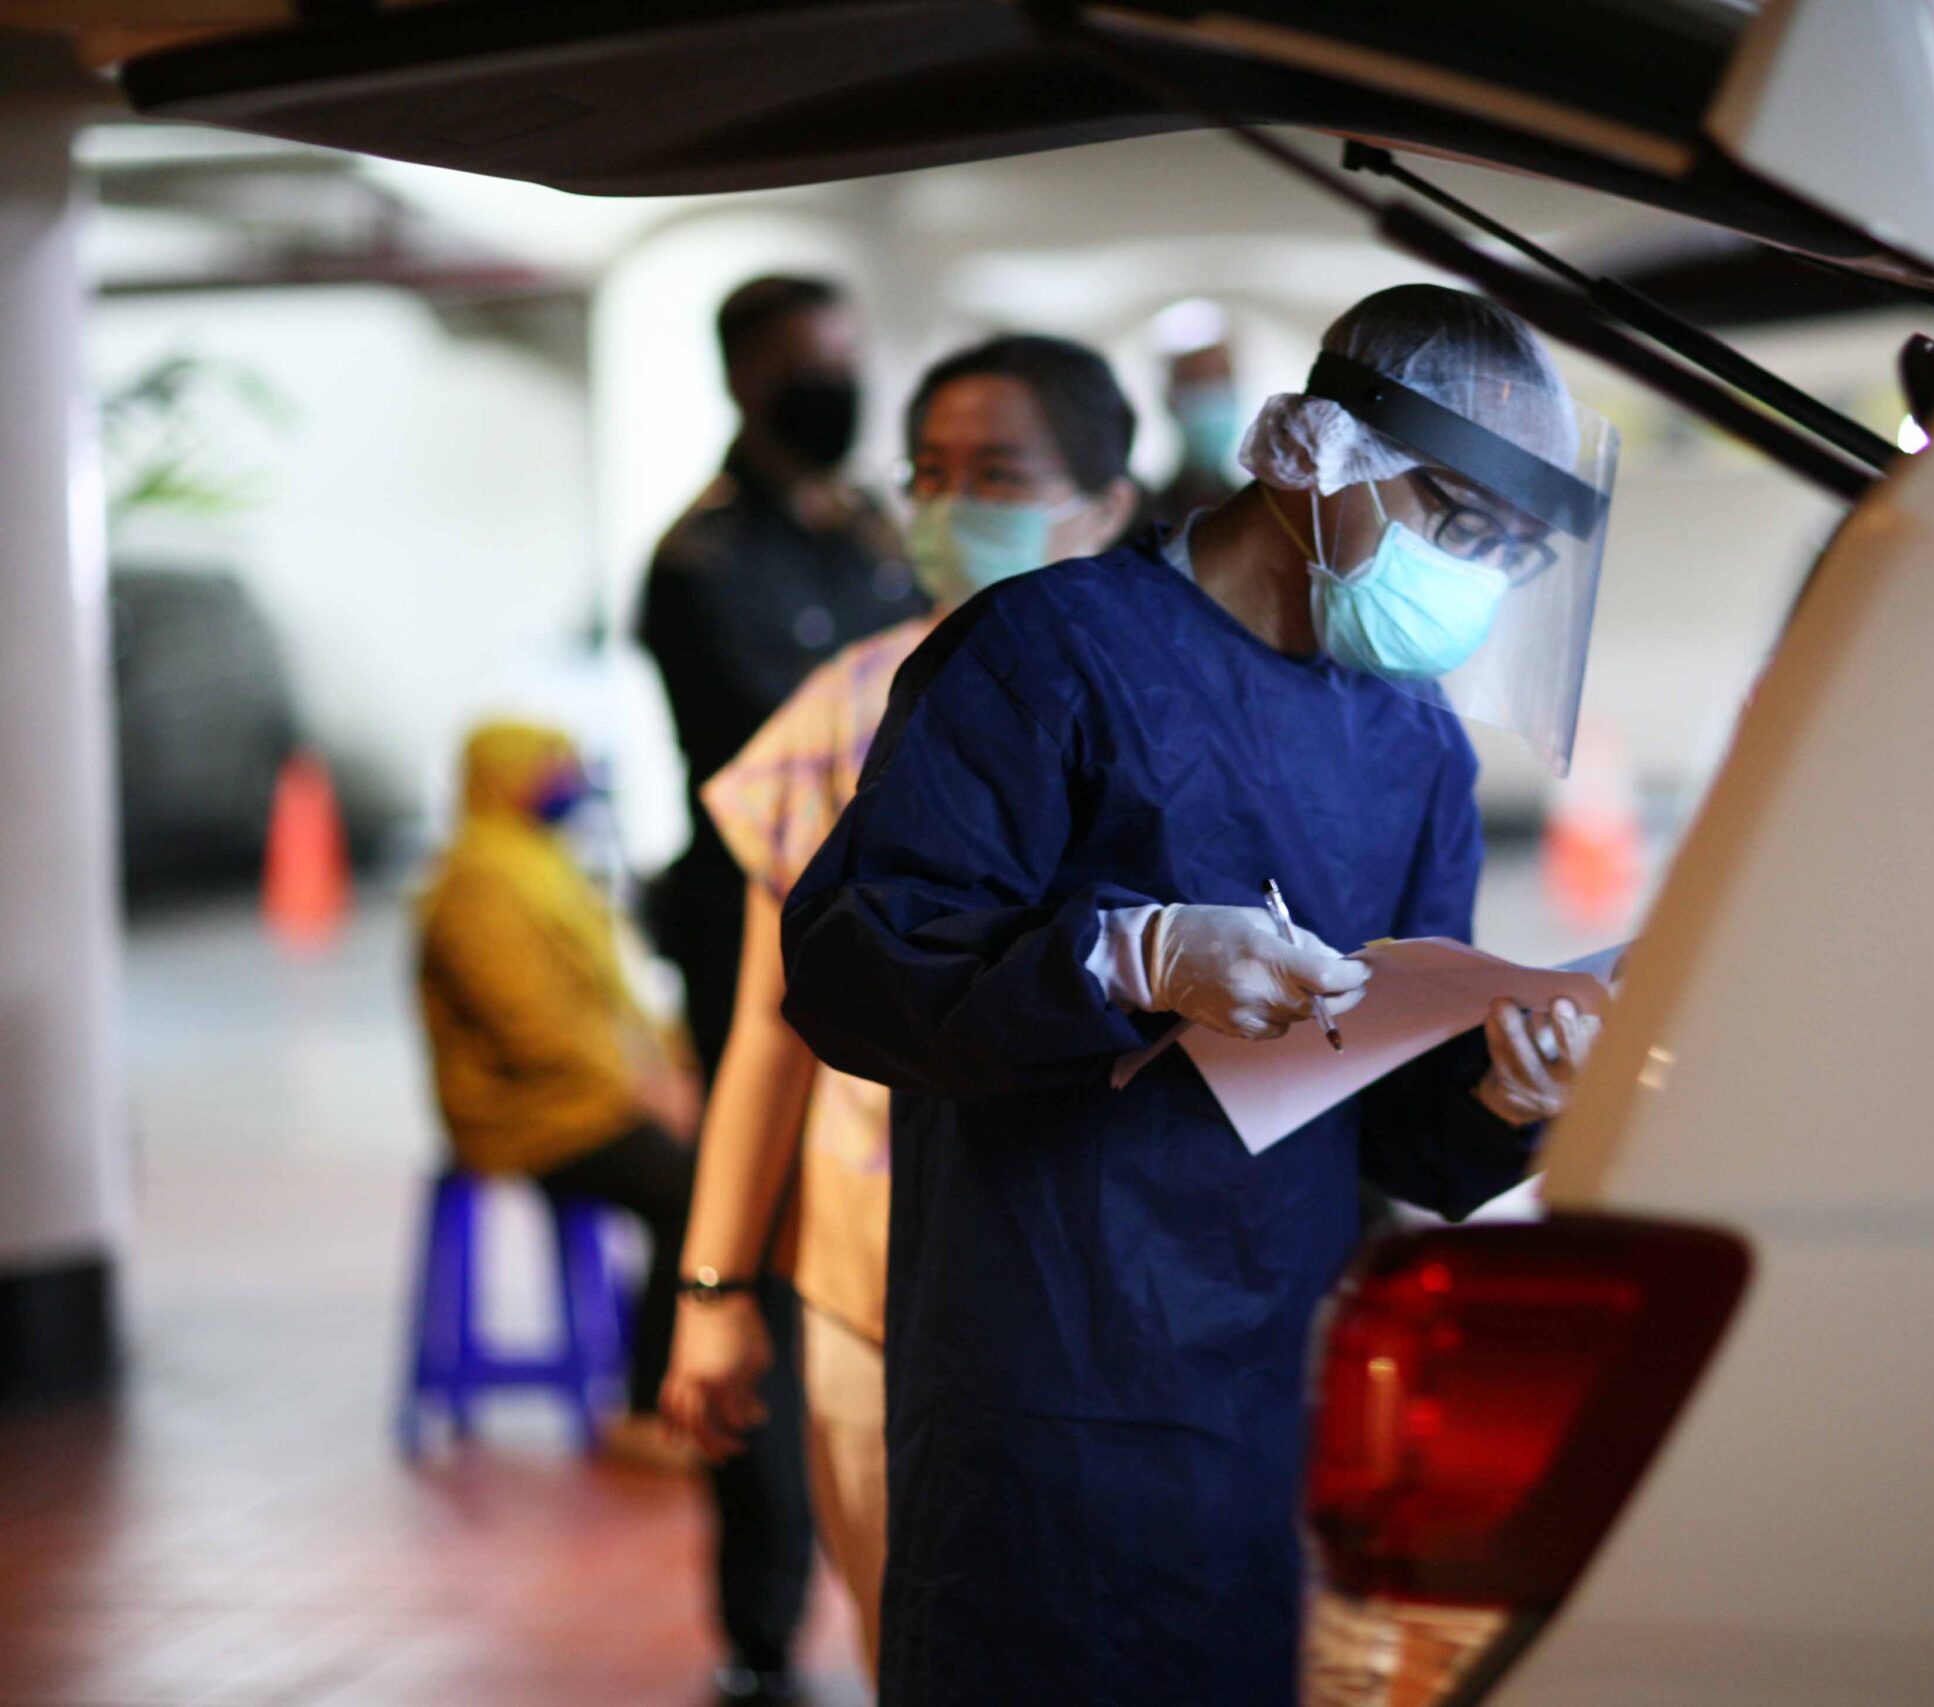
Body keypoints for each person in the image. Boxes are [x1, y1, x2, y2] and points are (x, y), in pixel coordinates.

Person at [777, 284, 1616, 1705]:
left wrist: (1504, 1091)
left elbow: (1400, 1123)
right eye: (1455, 517)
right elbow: (859, 967)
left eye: (1508, 552)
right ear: (1314, 452)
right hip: (1041, 1359)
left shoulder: (1415, 750)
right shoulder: (1046, 653)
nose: (1471, 569)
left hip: (1259, 1378)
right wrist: (1131, 955)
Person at [656, 335, 1140, 1684]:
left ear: (1108, 503)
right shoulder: (847, 705)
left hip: (1109, 1283)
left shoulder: (1179, 707)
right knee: (913, 1644)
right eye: (930, 471)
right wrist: (714, 1284)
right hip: (875, 1277)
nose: (949, 505)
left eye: (999, 472)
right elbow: (767, 1024)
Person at [641, 273, 920, 1705]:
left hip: (893, 949)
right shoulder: (700, 559)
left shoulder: (876, 527)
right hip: (752, 934)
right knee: (747, 1243)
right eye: (811, 363)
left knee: (864, 1264)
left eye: (848, 358)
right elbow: (796, 754)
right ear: (745, 374)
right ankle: (762, 1630)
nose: (834, 386)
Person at [413, 720, 701, 1452]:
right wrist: (645, 1089)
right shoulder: (475, 884)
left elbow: (620, 995)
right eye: (548, 768)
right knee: (695, 1196)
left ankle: (695, 1383)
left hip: (591, 1096)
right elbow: (537, 1032)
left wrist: (675, 1069)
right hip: (533, 1115)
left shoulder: (541, 864)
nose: (563, 783)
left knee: (733, 1172)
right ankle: (646, 1407)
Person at [1156, 332, 1242, 525]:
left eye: (1221, 386)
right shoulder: (1143, 518)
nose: (1213, 402)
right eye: (1199, 389)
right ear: (1171, 401)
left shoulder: (1258, 510)